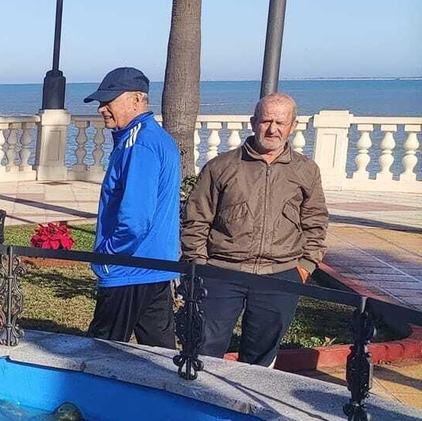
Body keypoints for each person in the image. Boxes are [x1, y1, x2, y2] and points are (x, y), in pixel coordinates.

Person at [181, 92, 329, 366]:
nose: (272, 129)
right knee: (204, 347)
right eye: (266, 121)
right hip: (221, 272)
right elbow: (196, 219)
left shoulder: (306, 170)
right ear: (253, 122)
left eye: (280, 123)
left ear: (293, 126)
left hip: (280, 275)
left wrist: (305, 266)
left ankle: (249, 406)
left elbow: (315, 221)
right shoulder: (221, 167)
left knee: (261, 356)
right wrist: (198, 265)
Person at [82, 68, 181, 348]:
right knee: (160, 358)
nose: (102, 109)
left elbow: (136, 220)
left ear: (136, 100)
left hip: (129, 271)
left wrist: (108, 255)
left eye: (108, 101)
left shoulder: (139, 144)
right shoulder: (153, 138)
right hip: (155, 268)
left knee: (99, 356)